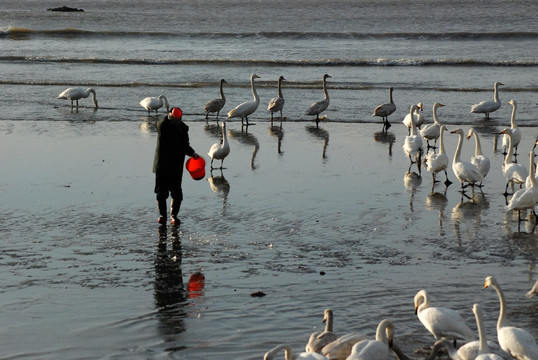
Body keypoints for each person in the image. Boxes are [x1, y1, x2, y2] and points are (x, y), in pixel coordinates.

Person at [153, 107, 200, 225]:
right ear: (170, 116)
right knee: (161, 192)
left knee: (177, 193)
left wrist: (193, 154)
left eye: (179, 118)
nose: (177, 120)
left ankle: (173, 216)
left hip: (176, 165)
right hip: (162, 164)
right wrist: (169, 116)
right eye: (175, 118)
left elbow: (185, 146)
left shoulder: (183, 128)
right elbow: (160, 124)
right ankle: (162, 216)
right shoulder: (163, 125)